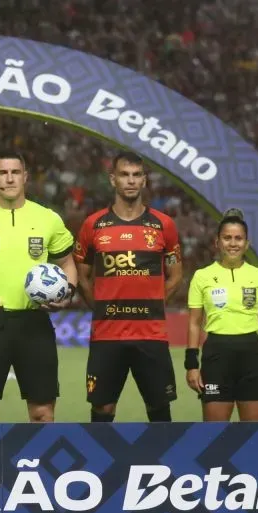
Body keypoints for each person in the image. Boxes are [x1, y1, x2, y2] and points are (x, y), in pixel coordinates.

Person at [0, 150, 78, 423]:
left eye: (15, 172)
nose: (9, 179)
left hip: (35, 323)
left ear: (26, 177)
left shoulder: (48, 219)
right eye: (3, 173)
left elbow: (68, 264)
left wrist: (68, 294)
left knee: (43, 413)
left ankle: (39, 467)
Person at [73, 152, 183, 423]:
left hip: (151, 335)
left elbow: (176, 275)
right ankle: (98, 466)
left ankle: (161, 465)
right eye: (124, 174)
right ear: (113, 179)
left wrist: (155, 304)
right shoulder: (93, 225)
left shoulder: (163, 225)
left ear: (144, 180)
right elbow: (81, 275)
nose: (131, 181)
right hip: (107, 336)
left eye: (136, 175)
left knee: (159, 409)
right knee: (103, 409)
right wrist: (100, 307)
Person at [185, 209, 258, 422]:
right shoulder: (202, 277)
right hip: (216, 357)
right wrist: (192, 365)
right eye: (227, 238)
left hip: (253, 357)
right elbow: (194, 324)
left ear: (246, 244)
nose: (233, 243)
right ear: (217, 243)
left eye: (238, 238)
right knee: (214, 438)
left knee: (254, 437)